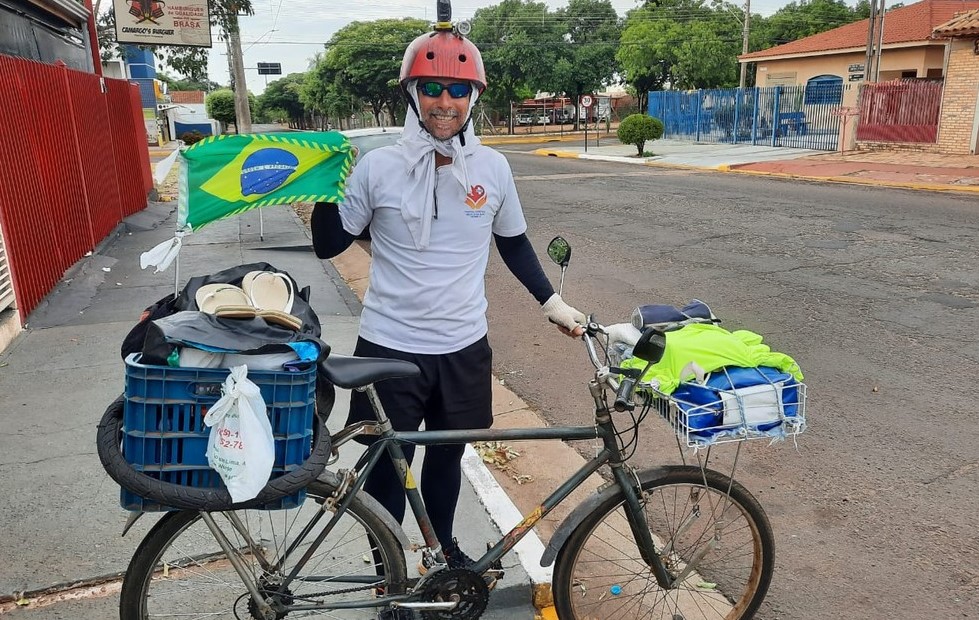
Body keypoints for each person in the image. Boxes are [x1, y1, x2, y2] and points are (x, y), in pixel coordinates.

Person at [311, 22, 585, 582]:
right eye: (432, 87)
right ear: (412, 94)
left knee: (448, 457)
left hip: (463, 345)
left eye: (458, 90)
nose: (445, 101)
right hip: (389, 346)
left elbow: (512, 243)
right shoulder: (378, 167)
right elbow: (329, 243)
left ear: (474, 98)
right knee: (386, 471)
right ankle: (386, 572)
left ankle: (443, 553)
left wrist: (552, 303)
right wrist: (320, 186)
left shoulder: (492, 168)